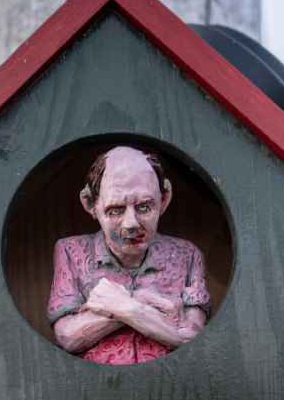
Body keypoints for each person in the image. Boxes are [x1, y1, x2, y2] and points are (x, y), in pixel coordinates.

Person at [46, 145, 210, 364]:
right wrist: (147, 303)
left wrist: (125, 306)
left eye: (144, 207)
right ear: (90, 204)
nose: (131, 224)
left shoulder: (187, 255)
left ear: (164, 199)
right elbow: (68, 336)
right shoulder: (71, 251)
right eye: (115, 210)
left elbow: (192, 337)